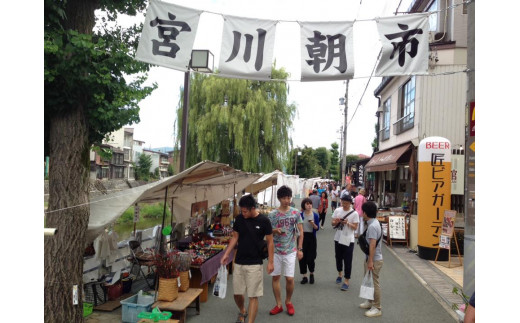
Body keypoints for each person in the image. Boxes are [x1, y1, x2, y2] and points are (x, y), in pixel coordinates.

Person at [220, 195, 274, 323]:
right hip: (239, 261)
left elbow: (270, 242)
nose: (243, 213)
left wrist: (271, 262)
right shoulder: (239, 219)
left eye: (245, 211)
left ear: (253, 208)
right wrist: (226, 254)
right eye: (241, 211)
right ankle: (243, 310)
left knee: (253, 295)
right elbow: (235, 237)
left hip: (255, 263)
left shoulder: (264, 221)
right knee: (237, 294)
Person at [267, 185, 304, 316]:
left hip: (290, 250)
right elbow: (267, 233)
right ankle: (278, 304)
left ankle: (288, 301)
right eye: (284, 198)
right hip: (276, 251)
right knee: (276, 277)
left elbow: (301, 231)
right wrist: (274, 231)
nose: (286, 200)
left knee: (289, 278)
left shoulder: (295, 212)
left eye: (288, 197)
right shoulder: (272, 214)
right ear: (279, 199)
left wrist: (300, 249)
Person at [359, 201, 383, 318]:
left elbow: (372, 245)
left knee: (374, 283)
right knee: (368, 280)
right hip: (372, 258)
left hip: (374, 259)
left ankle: (377, 307)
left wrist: (370, 261)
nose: (362, 214)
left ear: (366, 213)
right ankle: (369, 301)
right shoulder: (373, 222)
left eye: (363, 212)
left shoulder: (372, 226)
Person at [331, 194, 359, 291]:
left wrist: (347, 223)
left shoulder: (354, 213)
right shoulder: (337, 210)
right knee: (338, 257)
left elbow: (355, 227)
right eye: (343, 203)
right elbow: (332, 223)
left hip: (348, 238)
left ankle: (347, 280)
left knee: (347, 260)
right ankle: (340, 273)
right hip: (338, 238)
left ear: (350, 203)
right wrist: (337, 221)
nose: (344, 205)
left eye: (346, 203)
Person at [298, 198, 319, 285]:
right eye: (307, 204)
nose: (309, 205)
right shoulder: (300, 215)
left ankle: (311, 274)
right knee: (302, 257)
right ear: (304, 205)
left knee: (311, 257)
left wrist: (313, 224)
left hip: (311, 237)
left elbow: (317, 228)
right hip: (302, 237)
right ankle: (304, 276)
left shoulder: (315, 215)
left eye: (310, 204)